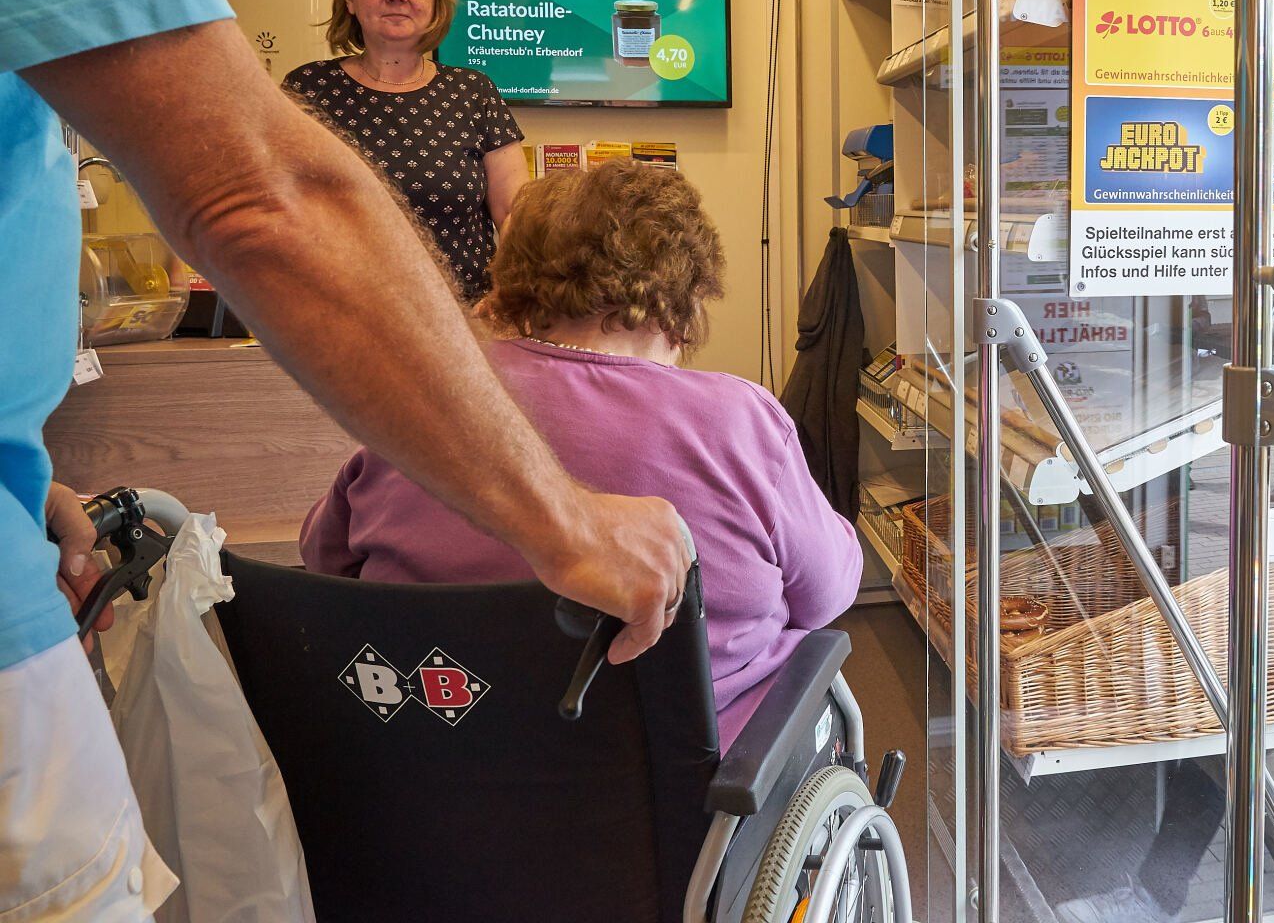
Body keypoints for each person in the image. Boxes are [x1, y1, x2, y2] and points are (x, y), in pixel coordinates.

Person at [1, 0, 687, 918]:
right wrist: (566, 526)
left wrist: (22, 480)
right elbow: (269, 208)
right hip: (337, 369)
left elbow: (501, 231)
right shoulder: (305, 97)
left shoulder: (474, 97)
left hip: (433, 368)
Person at [301, 161, 861, 747]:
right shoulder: (738, 419)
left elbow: (325, 560)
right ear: (688, 287)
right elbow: (824, 595)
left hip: (438, 762)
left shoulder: (427, 394)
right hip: (685, 798)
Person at [282, 0, 528, 301]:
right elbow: (278, 207)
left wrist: (506, 303)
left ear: (435, 4)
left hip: (466, 321)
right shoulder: (308, 88)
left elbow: (514, 218)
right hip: (339, 317)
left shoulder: (473, 92)